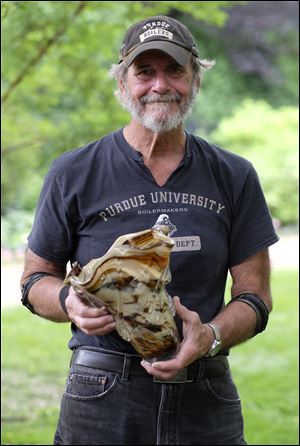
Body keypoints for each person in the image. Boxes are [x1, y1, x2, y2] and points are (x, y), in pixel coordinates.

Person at [20, 14, 279, 445]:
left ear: (195, 79)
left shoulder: (234, 175)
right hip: (101, 391)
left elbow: (256, 297)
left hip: (205, 391)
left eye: (174, 69)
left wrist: (210, 336)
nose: (160, 85)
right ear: (123, 83)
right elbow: (33, 280)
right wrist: (70, 302)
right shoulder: (74, 172)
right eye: (145, 72)